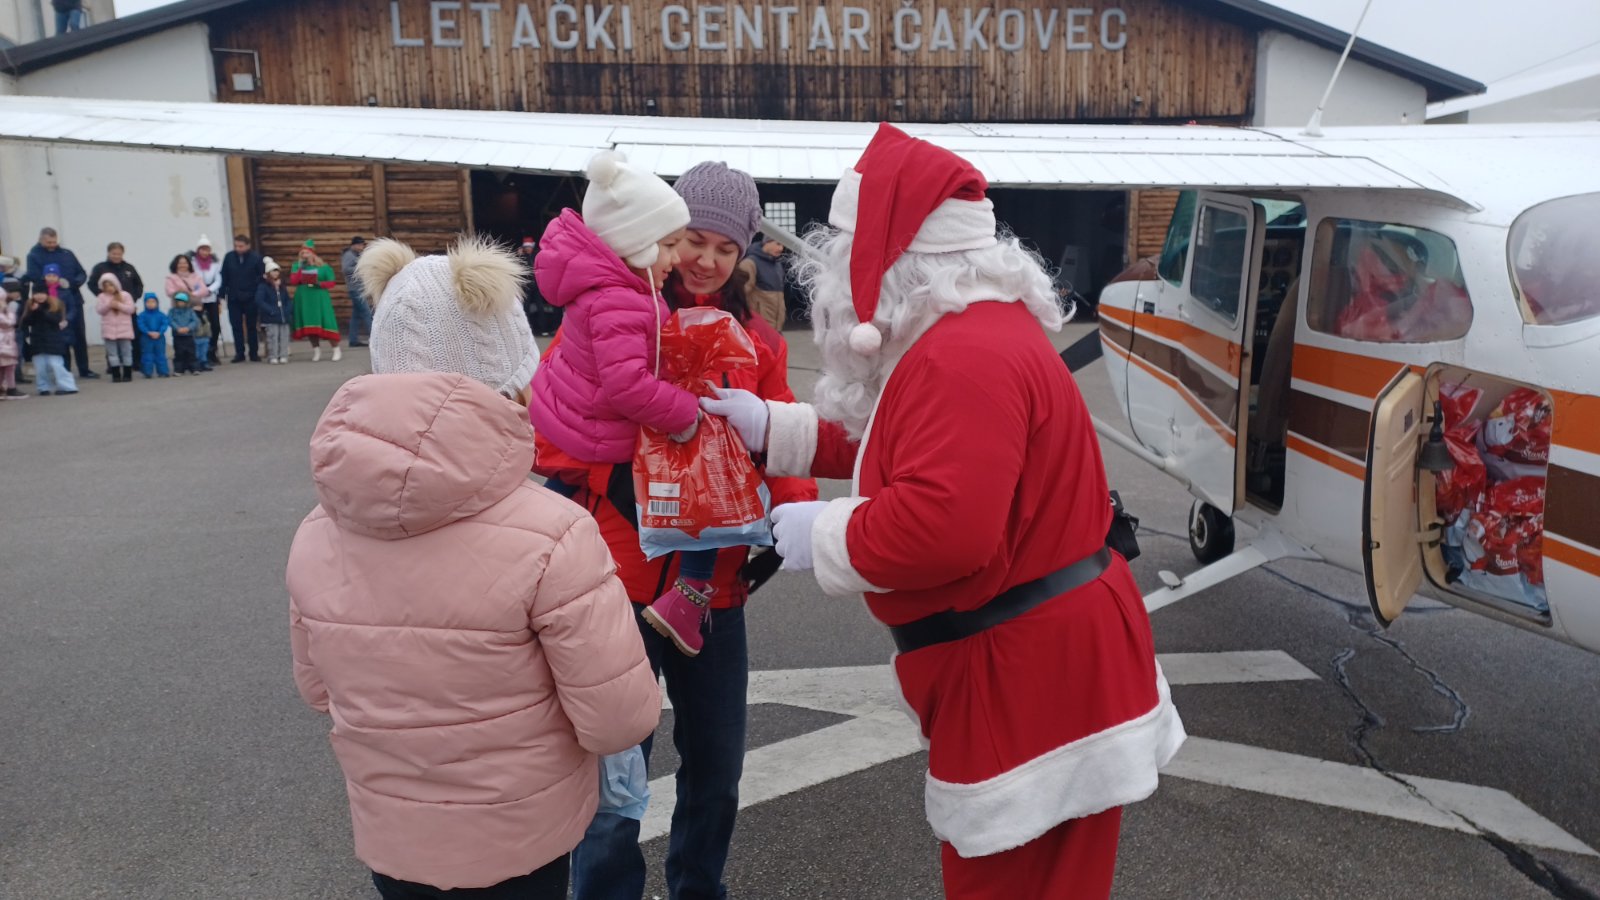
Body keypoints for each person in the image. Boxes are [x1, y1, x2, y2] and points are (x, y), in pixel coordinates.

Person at [703, 125, 1185, 899]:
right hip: (1043, 666)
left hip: (1029, 678)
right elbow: (905, 441)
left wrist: (819, 533)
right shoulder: (965, 332)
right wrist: (778, 429)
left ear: (893, 264)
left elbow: (945, 527)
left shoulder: (964, 355)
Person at [287, 234, 659, 900]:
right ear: (510, 373)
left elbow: (319, 690)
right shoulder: (554, 531)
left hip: (393, 839)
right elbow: (617, 719)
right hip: (523, 838)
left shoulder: (318, 531)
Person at [564, 160, 817, 900]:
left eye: (724, 248)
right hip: (623, 582)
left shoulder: (759, 341)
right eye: (692, 241)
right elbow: (561, 426)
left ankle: (697, 889)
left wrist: (790, 509)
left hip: (716, 594)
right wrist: (618, 487)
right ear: (665, 238)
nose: (705, 261)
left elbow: (782, 436)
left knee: (717, 768)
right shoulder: (619, 313)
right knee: (616, 771)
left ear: (744, 255)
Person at [527, 152, 728, 645]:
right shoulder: (620, 298)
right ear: (635, 243)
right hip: (602, 432)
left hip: (581, 426)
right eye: (671, 244)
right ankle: (692, 592)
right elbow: (628, 385)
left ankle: (523, 553)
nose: (679, 259)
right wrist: (687, 413)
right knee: (700, 506)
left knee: (564, 504)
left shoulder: (617, 289)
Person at [26, 228, 97, 379]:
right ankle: (65, 371)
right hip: (51, 303)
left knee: (79, 335)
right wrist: (54, 285)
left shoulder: (67, 254)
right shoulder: (34, 255)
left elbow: (81, 273)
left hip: (73, 299)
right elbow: (35, 277)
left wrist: (72, 284)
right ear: (41, 240)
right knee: (59, 337)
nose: (52, 244)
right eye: (48, 242)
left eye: (54, 241)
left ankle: (84, 369)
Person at [90, 242, 146, 376]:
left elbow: (139, 284)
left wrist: (133, 299)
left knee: (131, 337)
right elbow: (91, 283)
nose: (116, 256)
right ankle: (112, 365)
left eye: (119, 254)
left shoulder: (129, 268)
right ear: (108, 253)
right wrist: (103, 297)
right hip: (110, 312)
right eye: (114, 253)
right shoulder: (100, 268)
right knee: (111, 338)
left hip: (126, 307)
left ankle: (134, 363)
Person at [290, 240, 341, 361]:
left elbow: (331, 282)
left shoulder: (323, 267)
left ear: (312, 254)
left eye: (306, 253)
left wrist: (319, 283)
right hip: (304, 297)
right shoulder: (297, 266)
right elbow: (293, 281)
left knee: (326, 321)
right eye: (302, 253)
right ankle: (316, 350)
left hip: (319, 296)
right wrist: (301, 269)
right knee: (309, 323)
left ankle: (336, 349)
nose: (304, 255)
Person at [20, 288, 77, 396]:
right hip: (37, 340)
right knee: (40, 366)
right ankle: (43, 387)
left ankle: (67, 386)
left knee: (56, 365)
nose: (39, 296)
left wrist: (40, 311)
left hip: (53, 339)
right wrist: (32, 312)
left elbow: (55, 320)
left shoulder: (54, 305)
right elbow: (25, 322)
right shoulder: (30, 306)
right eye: (36, 293)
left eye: (42, 293)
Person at [221, 234, 265, 363]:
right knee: (236, 326)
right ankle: (239, 353)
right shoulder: (229, 257)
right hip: (234, 297)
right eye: (236, 246)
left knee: (252, 326)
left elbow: (260, 277)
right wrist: (222, 294)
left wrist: (256, 292)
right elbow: (224, 276)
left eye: (241, 246)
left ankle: (254, 353)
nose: (238, 248)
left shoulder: (256, 258)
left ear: (248, 245)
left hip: (250, 297)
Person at [737, 234, 788, 332]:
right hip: (757, 327)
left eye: (782, 245)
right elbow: (739, 295)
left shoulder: (777, 264)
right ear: (767, 242)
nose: (781, 248)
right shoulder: (749, 263)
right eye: (778, 244)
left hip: (776, 327)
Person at [94, 273, 137, 383]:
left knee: (126, 351)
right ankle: (116, 374)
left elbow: (131, 309)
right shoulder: (101, 297)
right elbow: (99, 310)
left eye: (111, 285)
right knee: (112, 353)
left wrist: (118, 305)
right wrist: (108, 305)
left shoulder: (125, 295)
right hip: (109, 330)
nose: (109, 288)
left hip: (124, 329)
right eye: (106, 286)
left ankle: (127, 373)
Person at [188, 236, 225, 365]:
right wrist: (200, 291)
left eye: (207, 249)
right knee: (200, 325)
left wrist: (210, 289)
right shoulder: (192, 262)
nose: (205, 252)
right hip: (198, 296)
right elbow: (191, 278)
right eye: (202, 249)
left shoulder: (215, 263)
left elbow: (218, 279)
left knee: (215, 325)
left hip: (211, 296)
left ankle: (212, 351)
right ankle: (200, 353)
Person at [256, 257, 293, 364]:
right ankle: (273, 355)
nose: (275, 273)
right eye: (273, 271)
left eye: (277, 271)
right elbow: (259, 300)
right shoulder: (263, 286)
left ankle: (283, 354)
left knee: (284, 337)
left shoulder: (282, 287)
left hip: (283, 317)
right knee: (272, 337)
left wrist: (287, 310)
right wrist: (270, 310)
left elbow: (287, 300)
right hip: (271, 317)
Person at [341, 236, 371, 347]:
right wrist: (361, 268)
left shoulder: (357, 255)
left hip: (358, 288)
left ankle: (353, 340)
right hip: (355, 289)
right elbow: (345, 269)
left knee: (356, 315)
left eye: (362, 245)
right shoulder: (349, 255)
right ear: (354, 245)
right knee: (367, 313)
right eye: (360, 245)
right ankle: (374, 338)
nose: (362, 247)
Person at [136, 293, 171, 379]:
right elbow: (141, 325)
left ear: (157, 303)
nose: (150, 304)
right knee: (147, 355)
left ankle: (163, 371)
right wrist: (148, 332)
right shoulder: (142, 315)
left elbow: (165, 324)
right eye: (148, 302)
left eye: (153, 302)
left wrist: (160, 332)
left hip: (159, 338)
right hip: (146, 338)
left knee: (160, 354)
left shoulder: (161, 315)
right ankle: (147, 372)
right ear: (145, 303)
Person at [0, 280, 23, 400]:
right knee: (7, 366)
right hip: (3, 343)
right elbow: (9, 322)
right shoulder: (5, 312)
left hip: (8, 342)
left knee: (8, 366)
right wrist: (9, 311)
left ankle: (8, 387)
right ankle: (10, 388)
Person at [168, 293, 201, 376]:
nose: (180, 303)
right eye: (178, 302)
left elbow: (195, 321)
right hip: (177, 335)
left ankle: (194, 368)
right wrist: (177, 328)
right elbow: (170, 320)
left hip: (189, 335)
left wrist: (188, 328)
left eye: (182, 302)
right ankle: (179, 370)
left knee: (191, 352)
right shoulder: (172, 311)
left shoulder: (190, 311)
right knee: (179, 353)